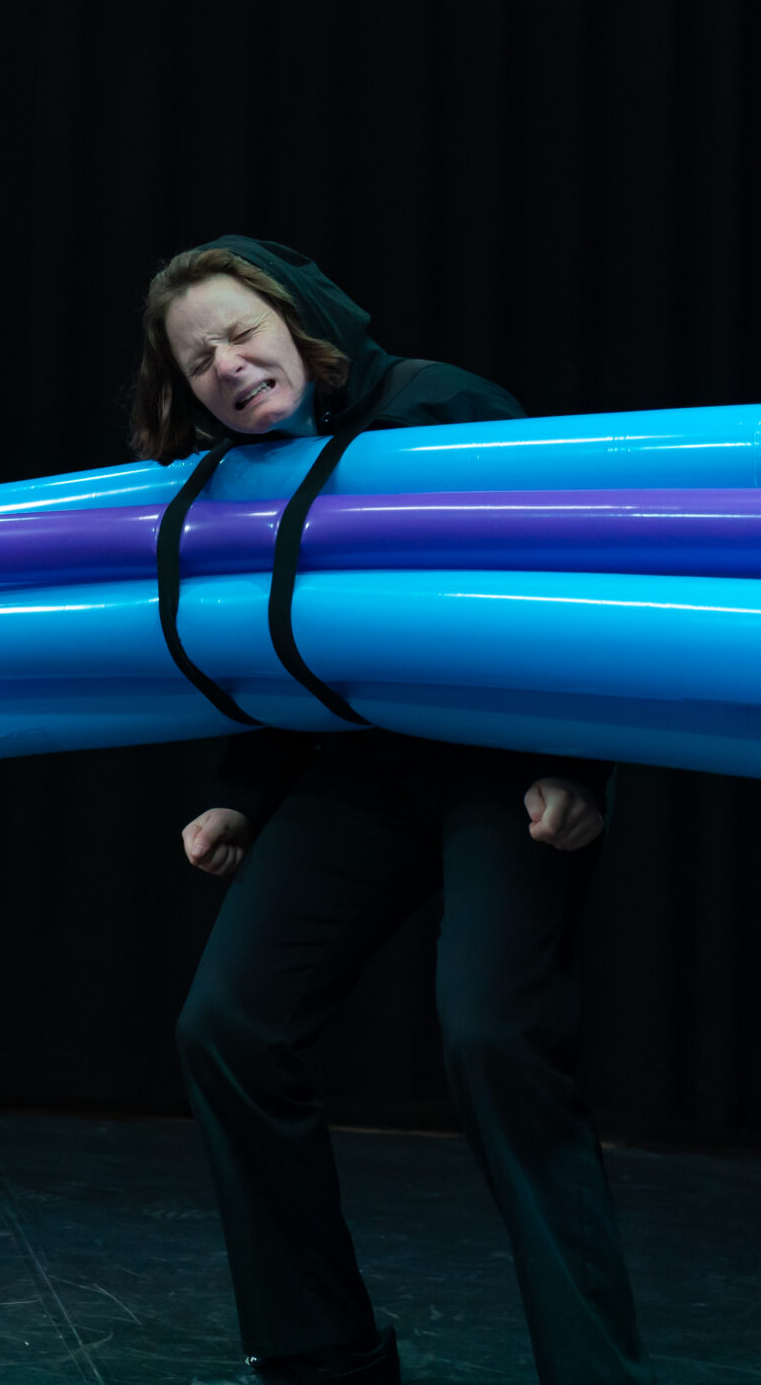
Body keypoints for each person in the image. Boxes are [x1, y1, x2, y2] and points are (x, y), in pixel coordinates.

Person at [143, 239, 651, 1385]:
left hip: (501, 765)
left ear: (295, 320)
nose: (227, 366)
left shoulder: (440, 407)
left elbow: (569, 580)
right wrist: (241, 799)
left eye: (239, 333)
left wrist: (575, 767)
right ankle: (319, 1352)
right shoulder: (249, 475)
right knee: (225, 1027)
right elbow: (287, 637)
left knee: (491, 1038)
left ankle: (594, 1372)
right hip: (356, 768)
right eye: (198, 360)